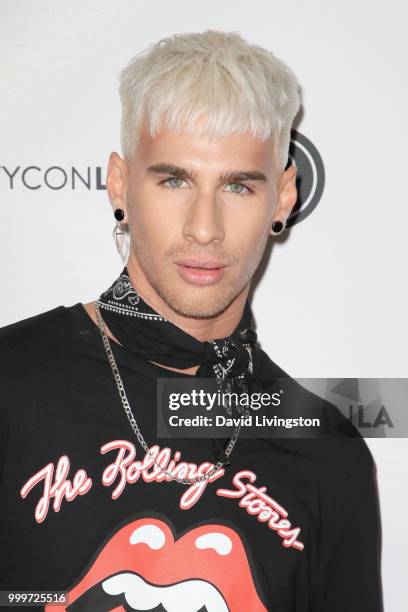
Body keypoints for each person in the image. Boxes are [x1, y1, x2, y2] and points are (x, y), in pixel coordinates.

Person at [0, 29, 383, 611]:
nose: (204, 228)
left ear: (281, 199)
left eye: (237, 185)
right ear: (121, 184)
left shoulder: (327, 451)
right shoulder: (10, 383)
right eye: (174, 180)